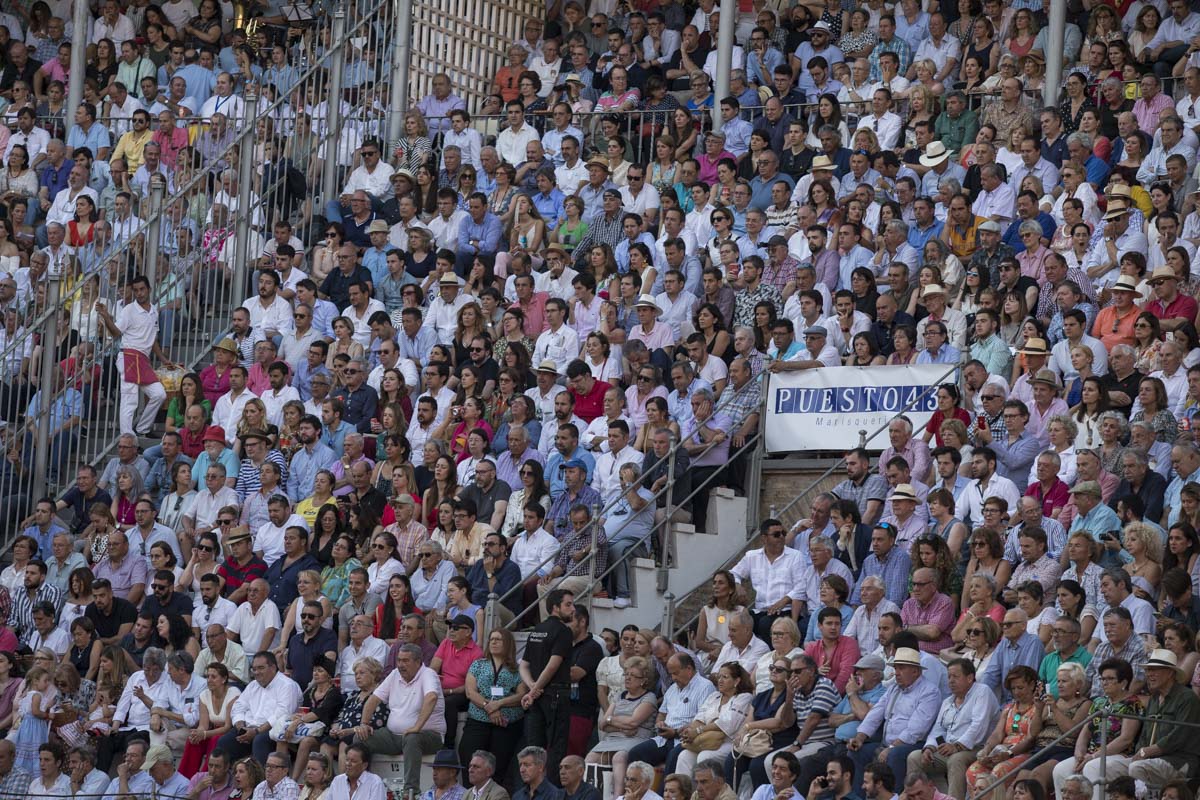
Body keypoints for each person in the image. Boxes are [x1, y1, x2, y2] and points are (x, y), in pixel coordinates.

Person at [360, 644, 445, 795]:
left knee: (412, 738)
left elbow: (431, 697)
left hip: (429, 736)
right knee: (360, 737)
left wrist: (417, 726)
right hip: (394, 737)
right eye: (399, 660)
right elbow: (373, 699)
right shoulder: (394, 674)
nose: (400, 665)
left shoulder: (428, 674)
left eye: (406, 661)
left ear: (418, 662)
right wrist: (364, 724)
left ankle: (411, 792)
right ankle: (362, 785)